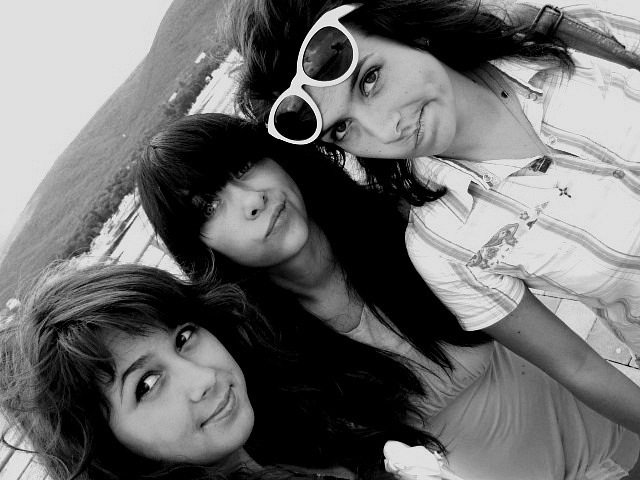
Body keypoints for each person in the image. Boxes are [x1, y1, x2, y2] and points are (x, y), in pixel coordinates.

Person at [136, 112, 640, 479]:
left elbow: (574, 359)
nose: (252, 201)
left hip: (615, 436)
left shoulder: (406, 225)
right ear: (198, 246)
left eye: (244, 165)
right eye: (208, 207)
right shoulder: (258, 361)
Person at [226, 0, 640, 435]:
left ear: (399, 26)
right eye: (342, 129)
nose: (385, 130)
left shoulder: (562, 32)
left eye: (369, 79)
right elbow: (578, 366)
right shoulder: (446, 246)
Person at [0, 261, 457, 480]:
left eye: (184, 338)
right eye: (147, 384)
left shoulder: (284, 432)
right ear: (106, 445)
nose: (203, 379)